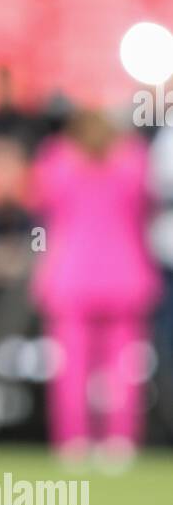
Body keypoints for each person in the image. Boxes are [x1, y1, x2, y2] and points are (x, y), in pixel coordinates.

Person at [31, 108, 160, 467]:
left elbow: (43, 203)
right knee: (124, 367)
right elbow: (144, 207)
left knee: (71, 369)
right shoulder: (134, 160)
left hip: (71, 276)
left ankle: (73, 442)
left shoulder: (56, 160)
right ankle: (120, 442)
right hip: (125, 274)